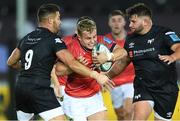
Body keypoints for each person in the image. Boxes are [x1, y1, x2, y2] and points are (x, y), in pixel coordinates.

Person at [7, 3, 113, 121]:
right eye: (58, 18)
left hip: (21, 89)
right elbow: (71, 63)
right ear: (50, 20)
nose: (60, 22)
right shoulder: (54, 40)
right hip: (40, 89)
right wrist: (96, 75)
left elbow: (11, 62)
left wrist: (31, 66)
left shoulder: (26, 38)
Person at [106, 3, 180, 121]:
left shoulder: (164, 33)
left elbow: (178, 48)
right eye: (129, 21)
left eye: (133, 22)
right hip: (143, 87)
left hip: (166, 89)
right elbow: (122, 63)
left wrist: (173, 57)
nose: (130, 25)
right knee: (138, 118)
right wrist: (106, 76)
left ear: (145, 22)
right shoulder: (130, 39)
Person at [55, 19, 127, 121]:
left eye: (94, 36)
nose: (93, 41)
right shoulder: (70, 46)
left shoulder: (102, 40)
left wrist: (108, 56)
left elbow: (122, 52)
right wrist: (75, 66)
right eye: (88, 38)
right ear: (79, 37)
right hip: (74, 100)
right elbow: (58, 70)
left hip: (94, 96)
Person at [103, 10, 135, 120]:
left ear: (124, 22)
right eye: (113, 20)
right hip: (114, 83)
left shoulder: (133, 38)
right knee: (120, 115)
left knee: (128, 111)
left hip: (131, 81)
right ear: (109, 23)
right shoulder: (105, 41)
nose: (116, 23)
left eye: (119, 20)